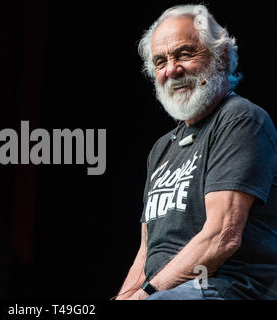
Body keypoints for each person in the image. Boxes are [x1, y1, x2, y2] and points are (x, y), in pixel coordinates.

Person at [115, 4, 277, 300]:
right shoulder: (162, 148)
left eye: (185, 54)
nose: (171, 70)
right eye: (160, 62)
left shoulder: (240, 119)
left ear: (222, 56)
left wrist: (147, 294)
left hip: (227, 286)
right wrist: (127, 296)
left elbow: (222, 237)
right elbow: (147, 249)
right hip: (166, 293)